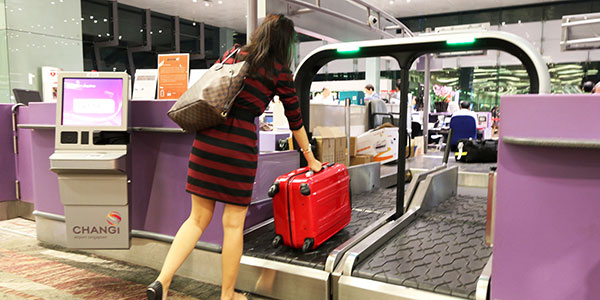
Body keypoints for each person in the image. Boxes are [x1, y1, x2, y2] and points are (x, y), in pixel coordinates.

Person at [146, 14, 322, 300]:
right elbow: (295, 119)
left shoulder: (235, 53)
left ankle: (162, 282)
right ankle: (227, 295)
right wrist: (310, 157)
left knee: (196, 219)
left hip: (207, 140)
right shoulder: (279, 71)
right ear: (285, 43)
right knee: (233, 225)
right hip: (239, 148)